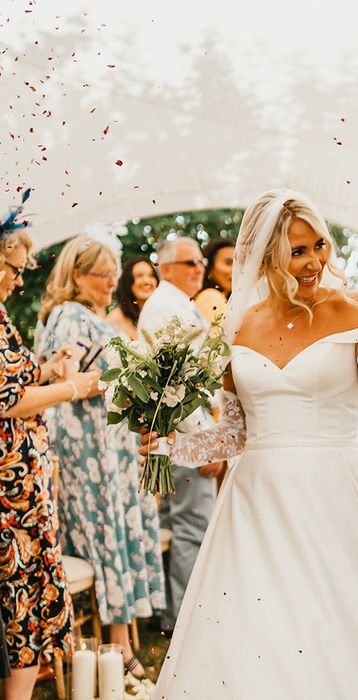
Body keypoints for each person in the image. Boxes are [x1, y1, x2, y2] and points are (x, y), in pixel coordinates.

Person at [138, 189, 358, 699]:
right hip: (256, 504)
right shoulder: (237, 326)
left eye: (319, 245)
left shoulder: (353, 307)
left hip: (336, 494)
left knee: (339, 626)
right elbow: (235, 433)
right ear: (266, 257)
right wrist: (169, 448)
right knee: (259, 632)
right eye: (297, 251)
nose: (314, 261)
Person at [36, 236, 166, 679]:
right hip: (87, 451)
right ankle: (113, 649)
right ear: (77, 275)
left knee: (116, 535)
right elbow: (67, 377)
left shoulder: (90, 315)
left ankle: (120, 644)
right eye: (103, 274)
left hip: (111, 448)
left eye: (114, 273)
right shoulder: (68, 315)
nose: (114, 282)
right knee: (103, 536)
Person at [0, 227, 95, 700]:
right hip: (7, 491)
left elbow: (15, 378)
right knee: (16, 599)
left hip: (22, 487)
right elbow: (6, 398)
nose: (20, 283)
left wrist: (47, 367)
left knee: (26, 598)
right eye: (16, 270)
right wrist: (74, 387)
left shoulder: (1, 315)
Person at [136, 237, 225, 635]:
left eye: (201, 261)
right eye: (190, 261)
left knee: (179, 527)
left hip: (178, 436)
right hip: (186, 438)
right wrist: (207, 442)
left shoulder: (177, 304)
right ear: (165, 266)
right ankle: (186, 620)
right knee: (193, 528)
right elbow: (177, 389)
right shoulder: (166, 308)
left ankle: (173, 613)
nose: (199, 267)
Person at [106, 256, 159, 340]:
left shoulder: (163, 314)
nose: (146, 281)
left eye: (151, 275)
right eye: (139, 276)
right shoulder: (115, 319)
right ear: (128, 282)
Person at [195, 238, 235, 326]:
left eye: (238, 263)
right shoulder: (211, 297)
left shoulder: (225, 299)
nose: (235, 269)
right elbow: (215, 338)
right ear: (210, 269)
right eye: (229, 263)